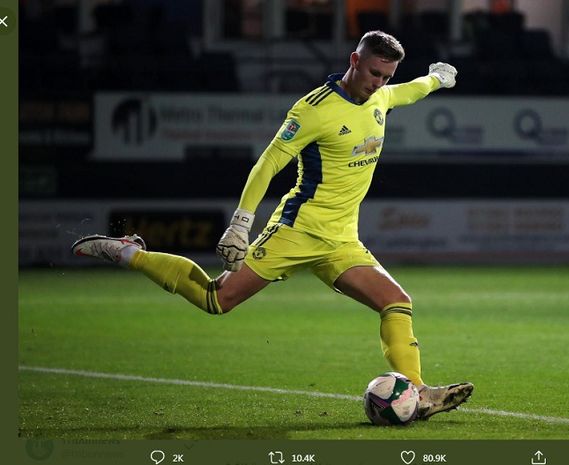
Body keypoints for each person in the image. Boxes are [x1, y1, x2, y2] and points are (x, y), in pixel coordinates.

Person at [72, 30, 473, 420]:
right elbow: (268, 163)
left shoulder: (381, 97)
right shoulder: (313, 109)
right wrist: (241, 224)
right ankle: (130, 252)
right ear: (354, 60)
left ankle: (418, 393)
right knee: (217, 300)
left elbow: (411, 90)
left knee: (396, 302)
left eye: (386, 76)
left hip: (341, 240)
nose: (379, 83)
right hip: (296, 231)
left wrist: (436, 78)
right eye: (374, 73)